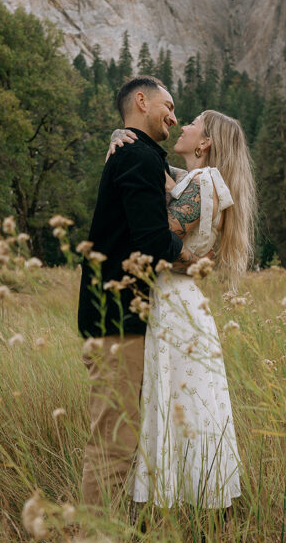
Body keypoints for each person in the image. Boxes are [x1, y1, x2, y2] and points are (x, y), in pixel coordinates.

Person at [109, 110, 256, 509]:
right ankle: (181, 500)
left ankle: (178, 502)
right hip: (178, 296)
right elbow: (166, 179)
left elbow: (159, 236)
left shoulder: (205, 180)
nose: (183, 126)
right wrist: (123, 139)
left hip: (175, 301)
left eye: (192, 124)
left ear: (204, 143)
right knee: (179, 400)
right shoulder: (195, 180)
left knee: (178, 402)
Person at [77, 75, 209, 510]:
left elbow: (186, 181)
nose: (174, 116)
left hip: (125, 315)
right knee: (114, 442)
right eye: (168, 106)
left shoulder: (139, 154)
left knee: (121, 435)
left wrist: (125, 134)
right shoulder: (137, 156)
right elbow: (151, 241)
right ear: (141, 101)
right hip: (118, 317)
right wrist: (190, 260)